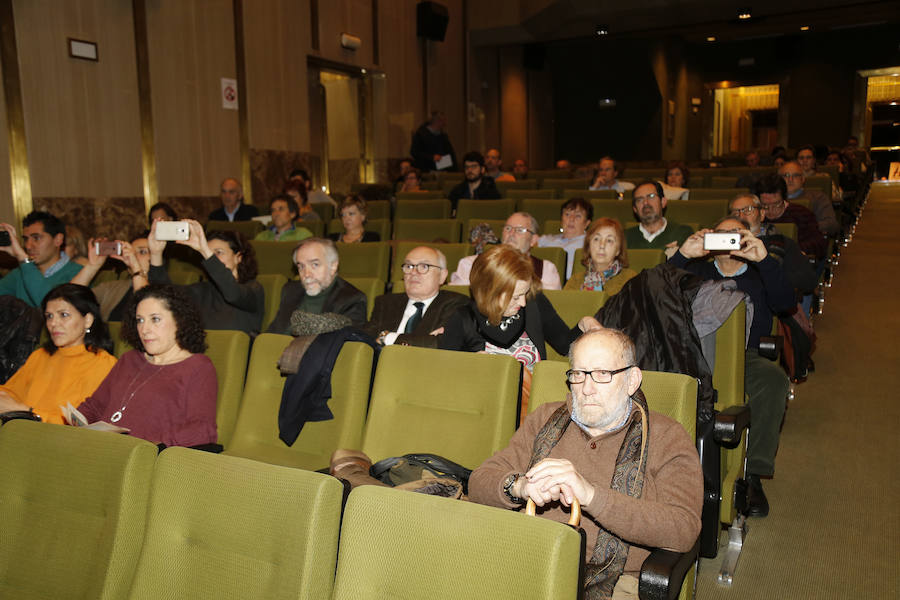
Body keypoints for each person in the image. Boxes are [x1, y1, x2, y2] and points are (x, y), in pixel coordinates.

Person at [468, 328, 703, 597]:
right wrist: (519, 487)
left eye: (603, 374)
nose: (587, 389)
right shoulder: (545, 418)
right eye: (578, 374)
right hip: (526, 563)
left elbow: (683, 528)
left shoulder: (666, 436)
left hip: (616, 582)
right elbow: (479, 481)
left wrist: (591, 495)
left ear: (631, 380)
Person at [669, 216, 794, 517]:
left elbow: (787, 302)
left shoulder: (759, 272)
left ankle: (752, 474)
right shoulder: (697, 269)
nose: (727, 239)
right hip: (696, 353)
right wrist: (683, 254)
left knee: (774, 381)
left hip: (746, 355)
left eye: (734, 234)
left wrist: (763, 260)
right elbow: (657, 291)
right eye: (720, 234)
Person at [77, 284, 217, 447]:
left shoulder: (198, 367)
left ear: (180, 320)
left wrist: (150, 445)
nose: (144, 329)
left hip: (147, 458)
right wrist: (77, 422)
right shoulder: (129, 359)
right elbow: (94, 406)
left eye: (155, 319)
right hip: (100, 448)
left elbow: (203, 430)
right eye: (140, 320)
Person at [440, 245, 582, 365]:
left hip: (534, 397)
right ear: (489, 292)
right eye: (515, 297)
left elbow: (565, 346)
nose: (523, 302)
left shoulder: (534, 302)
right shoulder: (463, 319)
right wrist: (470, 365)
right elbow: (444, 373)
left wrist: (583, 324)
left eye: (524, 293)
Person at [0, 284, 117, 424]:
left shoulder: (103, 364)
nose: (53, 323)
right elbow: (8, 393)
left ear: (87, 320)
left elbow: (81, 422)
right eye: (49, 316)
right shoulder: (40, 355)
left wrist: (26, 412)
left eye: (64, 315)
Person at [148, 220, 264, 335]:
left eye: (219, 252)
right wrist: (156, 254)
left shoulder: (253, 288)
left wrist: (205, 250)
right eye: (208, 254)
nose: (212, 258)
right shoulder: (203, 290)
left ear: (238, 257)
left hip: (237, 351)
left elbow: (232, 293)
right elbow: (164, 295)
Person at [362, 246, 468, 348]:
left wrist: (387, 337)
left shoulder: (457, 304)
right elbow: (364, 340)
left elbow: (440, 344)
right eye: (408, 266)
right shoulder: (385, 303)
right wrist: (423, 340)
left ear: (442, 276)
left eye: (424, 266)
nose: (413, 272)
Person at [267, 237, 367, 334]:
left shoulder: (352, 299)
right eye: (301, 266)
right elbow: (272, 333)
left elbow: (349, 342)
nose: (306, 274)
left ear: (333, 266)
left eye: (315, 265)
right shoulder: (290, 291)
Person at [727, 194, 816, 295]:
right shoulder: (723, 245)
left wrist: (771, 274)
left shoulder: (782, 243)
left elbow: (808, 280)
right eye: (735, 213)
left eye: (748, 210)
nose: (741, 216)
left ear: (762, 214)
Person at [451, 213, 561, 290]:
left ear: (533, 240)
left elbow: (548, 306)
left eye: (520, 230)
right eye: (508, 228)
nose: (511, 233)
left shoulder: (546, 269)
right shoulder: (471, 263)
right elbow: (458, 298)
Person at [0, 211, 82, 307]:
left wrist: (23, 259)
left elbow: (50, 307)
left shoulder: (78, 274)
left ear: (58, 240)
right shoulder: (21, 273)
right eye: (26, 239)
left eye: (36, 238)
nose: (28, 246)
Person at [71, 232, 153, 321]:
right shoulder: (111, 288)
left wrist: (136, 268)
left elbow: (147, 309)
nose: (132, 256)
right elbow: (69, 298)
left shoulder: (163, 285)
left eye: (142, 252)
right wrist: (92, 266)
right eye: (130, 252)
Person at [752, 173, 825, 260]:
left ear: (784, 199)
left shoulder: (801, 213)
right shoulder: (754, 216)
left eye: (776, 204)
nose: (771, 211)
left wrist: (793, 250)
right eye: (765, 206)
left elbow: (819, 243)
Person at [565, 218, 637, 296]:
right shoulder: (575, 280)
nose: (602, 245)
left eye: (609, 240)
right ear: (589, 246)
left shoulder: (630, 279)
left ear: (618, 250)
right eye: (596, 239)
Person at [623, 181, 694, 252]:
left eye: (651, 196)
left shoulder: (682, 233)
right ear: (635, 208)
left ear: (663, 202)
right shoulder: (623, 237)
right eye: (639, 199)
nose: (645, 203)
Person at [778, 161, 839, 236]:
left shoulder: (818, 197)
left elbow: (831, 224)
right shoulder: (771, 200)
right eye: (786, 175)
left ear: (803, 179)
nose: (790, 179)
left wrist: (802, 228)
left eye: (796, 175)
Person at [537, 198, 592, 279]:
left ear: (586, 223)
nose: (571, 219)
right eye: (567, 214)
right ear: (561, 219)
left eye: (578, 216)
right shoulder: (546, 239)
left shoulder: (590, 242)